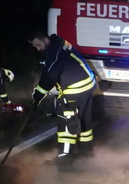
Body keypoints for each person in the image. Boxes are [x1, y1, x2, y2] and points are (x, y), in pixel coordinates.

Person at [28, 34, 97, 164]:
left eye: (38, 45)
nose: (38, 49)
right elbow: (49, 72)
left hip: (75, 88)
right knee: (83, 120)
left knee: (66, 120)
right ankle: (86, 152)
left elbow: (51, 75)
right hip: (88, 84)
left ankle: (65, 157)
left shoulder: (54, 52)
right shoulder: (59, 43)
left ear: (45, 39)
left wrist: (38, 95)